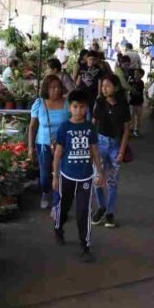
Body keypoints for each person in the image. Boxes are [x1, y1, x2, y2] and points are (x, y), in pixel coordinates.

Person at [52, 90, 104, 263]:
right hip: (66, 176)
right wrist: (55, 176)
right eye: (75, 106)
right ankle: (58, 227)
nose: (78, 110)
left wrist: (99, 172)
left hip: (85, 177)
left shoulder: (90, 128)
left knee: (83, 212)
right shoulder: (64, 127)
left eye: (82, 107)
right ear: (70, 107)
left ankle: (85, 246)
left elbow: (95, 151)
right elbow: (58, 154)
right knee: (64, 207)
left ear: (86, 108)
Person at [91, 74, 131, 228]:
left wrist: (121, 152)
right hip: (100, 144)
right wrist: (91, 147)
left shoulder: (123, 104)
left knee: (112, 182)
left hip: (115, 145)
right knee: (97, 179)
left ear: (116, 87)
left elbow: (126, 130)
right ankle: (101, 207)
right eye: (102, 86)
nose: (104, 89)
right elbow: (93, 124)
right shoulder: (100, 102)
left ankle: (110, 213)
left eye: (107, 86)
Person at [29, 75, 70, 209]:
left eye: (58, 87)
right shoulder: (39, 103)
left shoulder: (68, 103)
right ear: (46, 89)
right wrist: (30, 148)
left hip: (63, 145)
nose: (56, 90)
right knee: (45, 175)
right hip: (43, 144)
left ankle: (58, 202)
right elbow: (32, 127)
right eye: (52, 87)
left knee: (61, 173)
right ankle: (45, 192)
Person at [76, 51, 103, 119]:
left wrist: (99, 94)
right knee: (82, 111)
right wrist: (76, 88)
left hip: (93, 93)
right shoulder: (82, 67)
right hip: (82, 93)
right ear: (87, 59)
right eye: (90, 59)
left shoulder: (99, 70)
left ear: (96, 60)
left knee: (91, 112)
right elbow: (79, 79)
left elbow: (100, 81)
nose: (91, 61)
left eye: (93, 60)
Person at [129, 69, 145, 137]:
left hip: (139, 102)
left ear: (141, 75)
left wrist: (132, 90)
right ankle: (131, 129)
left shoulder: (141, 83)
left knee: (138, 117)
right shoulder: (131, 81)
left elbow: (137, 92)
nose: (135, 75)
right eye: (135, 73)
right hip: (132, 102)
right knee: (131, 117)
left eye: (137, 73)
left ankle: (136, 130)